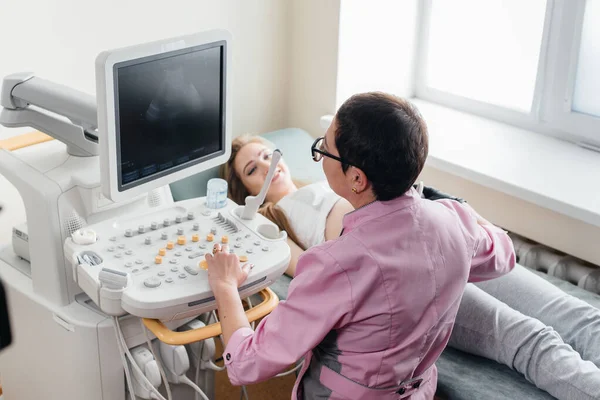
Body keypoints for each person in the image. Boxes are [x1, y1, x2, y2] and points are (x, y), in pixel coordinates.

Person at [218, 138, 600, 397]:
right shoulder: (273, 219)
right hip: (405, 270)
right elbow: (305, 270)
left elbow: (499, 248)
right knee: (527, 337)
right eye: (254, 168)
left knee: (575, 315)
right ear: (246, 192)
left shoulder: (329, 178)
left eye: (269, 154)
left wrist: (465, 219)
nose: (269, 165)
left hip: (441, 232)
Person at [205, 92, 516, 399]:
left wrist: (224, 285)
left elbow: (246, 366)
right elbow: (503, 253)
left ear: (356, 179)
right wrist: (456, 212)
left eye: (323, 149)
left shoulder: (336, 263)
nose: (319, 155)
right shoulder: (455, 220)